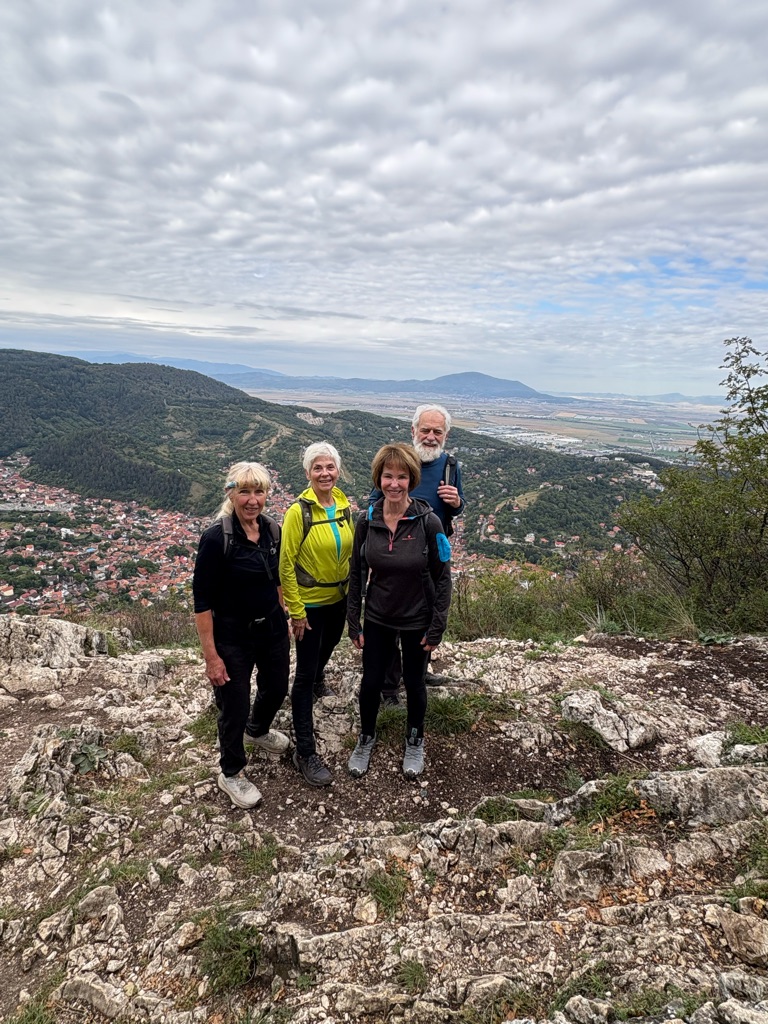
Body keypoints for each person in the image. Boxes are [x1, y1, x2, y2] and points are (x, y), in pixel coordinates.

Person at [347, 443, 452, 780]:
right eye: (388, 476)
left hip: (416, 617)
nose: (394, 484)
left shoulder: (429, 522)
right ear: (378, 479)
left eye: (402, 477)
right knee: (371, 682)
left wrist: (437, 627)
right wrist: (353, 621)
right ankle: (366, 737)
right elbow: (357, 572)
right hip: (378, 615)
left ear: (412, 479)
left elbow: (443, 577)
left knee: (415, 682)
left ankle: (415, 739)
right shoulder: (367, 520)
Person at [193, 461, 290, 809]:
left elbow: (276, 578)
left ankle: (257, 730)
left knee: (277, 687)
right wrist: (211, 657)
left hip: (272, 628)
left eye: (259, 491)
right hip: (232, 635)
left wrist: (284, 612)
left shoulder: (272, 530)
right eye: (244, 491)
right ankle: (231, 771)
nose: (252, 500)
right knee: (234, 705)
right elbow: (202, 602)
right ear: (231, 494)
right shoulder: (217, 538)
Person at [371, 403, 465, 700]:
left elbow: (458, 507)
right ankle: (389, 686)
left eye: (438, 431)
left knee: (425, 617)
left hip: (431, 557)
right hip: (395, 555)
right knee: (391, 620)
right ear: (413, 430)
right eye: (425, 430)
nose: (431, 437)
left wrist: (456, 503)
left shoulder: (450, 466)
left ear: (446, 435)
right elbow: (374, 501)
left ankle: (419, 671)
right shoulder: (400, 462)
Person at [280, 442, 353, 787]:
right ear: (308, 473)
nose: (325, 473)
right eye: (318, 468)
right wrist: (296, 611)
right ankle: (305, 751)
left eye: (330, 467)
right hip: (309, 604)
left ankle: (319, 678)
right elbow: (286, 564)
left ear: (338, 470)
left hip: (338, 598)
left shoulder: (343, 504)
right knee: (305, 673)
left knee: (331, 644)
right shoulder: (299, 511)